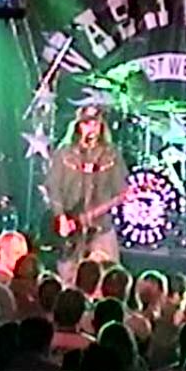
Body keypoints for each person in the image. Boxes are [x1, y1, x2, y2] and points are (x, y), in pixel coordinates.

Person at [44, 105, 129, 283]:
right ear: (78, 126)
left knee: (108, 278)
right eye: (87, 124)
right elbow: (53, 186)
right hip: (71, 229)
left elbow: (122, 190)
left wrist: (99, 210)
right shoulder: (64, 153)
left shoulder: (111, 155)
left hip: (101, 227)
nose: (92, 128)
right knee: (67, 278)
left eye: (95, 124)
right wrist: (61, 217)